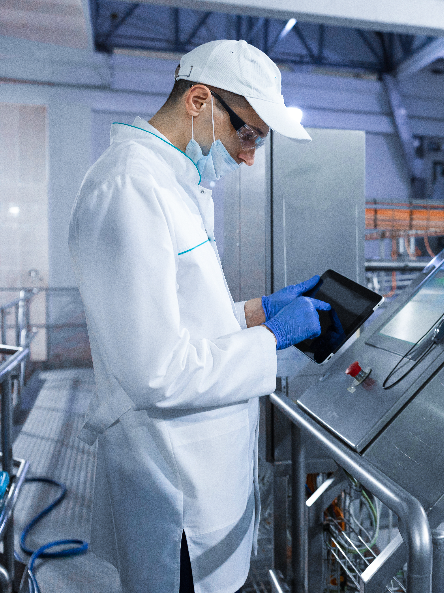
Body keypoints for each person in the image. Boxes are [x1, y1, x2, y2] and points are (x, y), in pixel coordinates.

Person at [69, 40, 326, 593]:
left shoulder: (171, 183)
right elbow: (156, 369)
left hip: (200, 474)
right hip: (174, 495)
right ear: (200, 100)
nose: (249, 155)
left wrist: (256, 313)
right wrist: (271, 341)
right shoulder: (130, 186)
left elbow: (177, 318)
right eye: (247, 134)